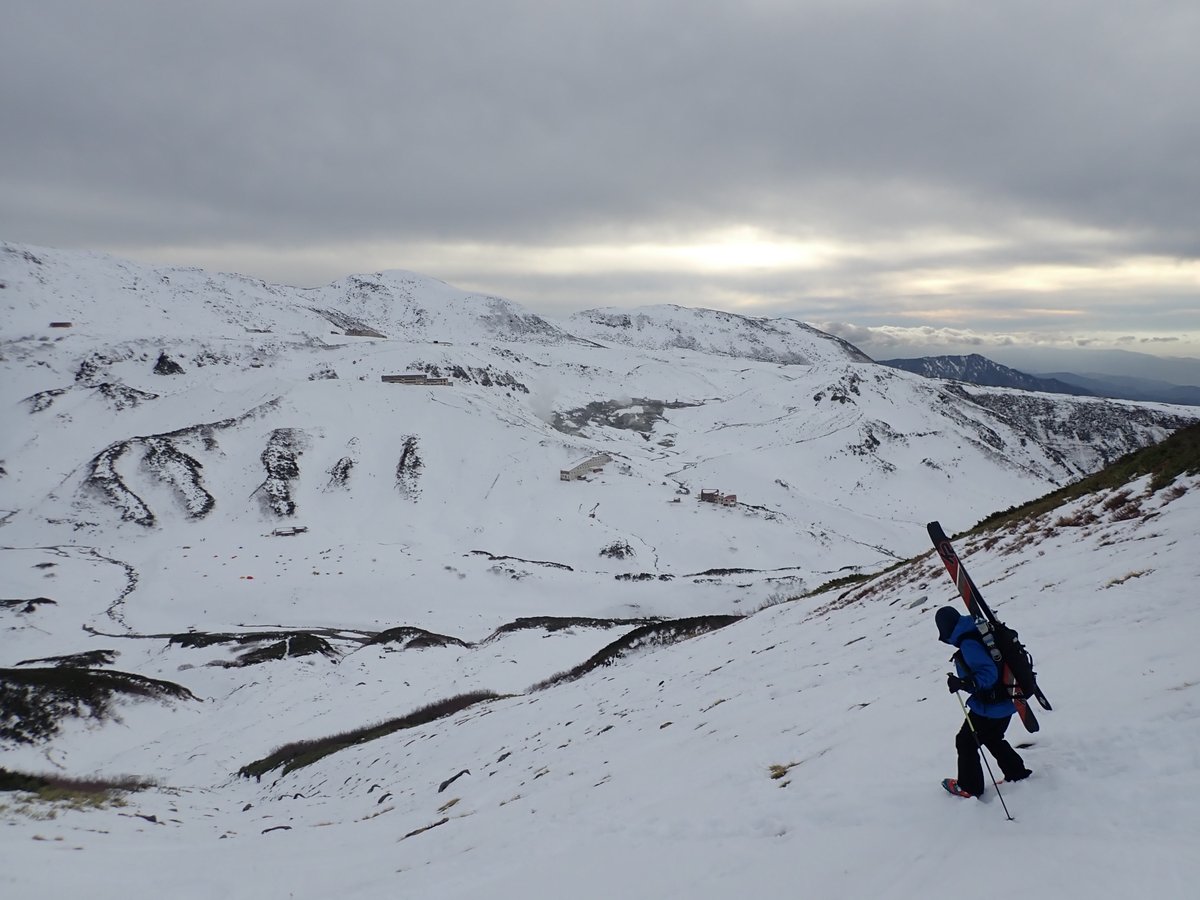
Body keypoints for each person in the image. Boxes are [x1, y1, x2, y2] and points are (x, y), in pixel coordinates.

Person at [935, 605, 1032, 797]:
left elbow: (988, 674)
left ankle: (970, 787)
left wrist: (963, 682)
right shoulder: (978, 629)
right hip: (1009, 698)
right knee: (992, 737)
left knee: (965, 741)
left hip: (992, 705)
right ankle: (1016, 772)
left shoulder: (968, 642)